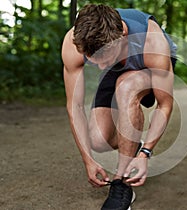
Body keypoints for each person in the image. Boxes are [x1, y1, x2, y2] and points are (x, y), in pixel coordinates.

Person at [61, 4, 176, 210]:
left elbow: (165, 104)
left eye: (105, 57)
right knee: (97, 140)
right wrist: (88, 159)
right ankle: (131, 142)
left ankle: (121, 184)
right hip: (119, 65)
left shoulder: (153, 42)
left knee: (126, 87)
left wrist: (146, 154)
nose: (101, 67)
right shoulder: (75, 42)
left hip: (145, 65)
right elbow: (75, 107)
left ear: (123, 33)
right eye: (94, 60)